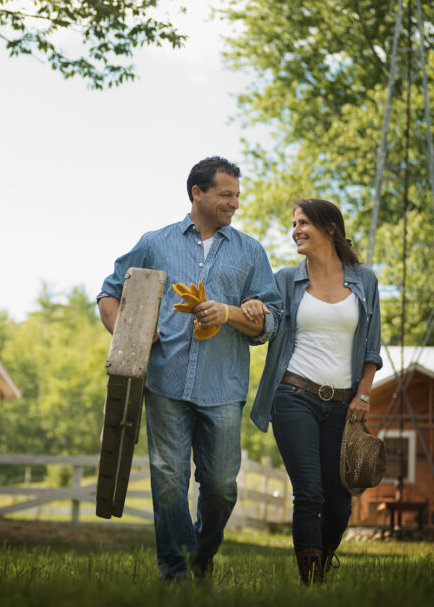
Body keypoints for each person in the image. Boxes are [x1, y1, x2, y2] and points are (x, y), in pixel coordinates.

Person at [96, 156, 281, 581]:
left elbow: (269, 321)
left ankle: (203, 551)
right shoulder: (154, 242)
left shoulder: (250, 251)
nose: (235, 203)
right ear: (197, 193)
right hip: (165, 380)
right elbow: (109, 293)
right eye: (226, 194)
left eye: (237, 194)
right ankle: (176, 572)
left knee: (220, 487)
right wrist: (128, 335)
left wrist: (232, 313)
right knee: (166, 479)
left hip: (223, 385)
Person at [246, 198, 382, 585]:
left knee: (339, 503)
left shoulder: (364, 280)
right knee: (309, 493)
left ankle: (322, 560)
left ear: (330, 229)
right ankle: (311, 583)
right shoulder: (286, 279)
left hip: (344, 404)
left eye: (303, 223)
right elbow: (266, 317)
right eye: (293, 224)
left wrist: (364, 394)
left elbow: (372, 347)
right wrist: (254, 305)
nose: (295, 231)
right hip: (293, 396)